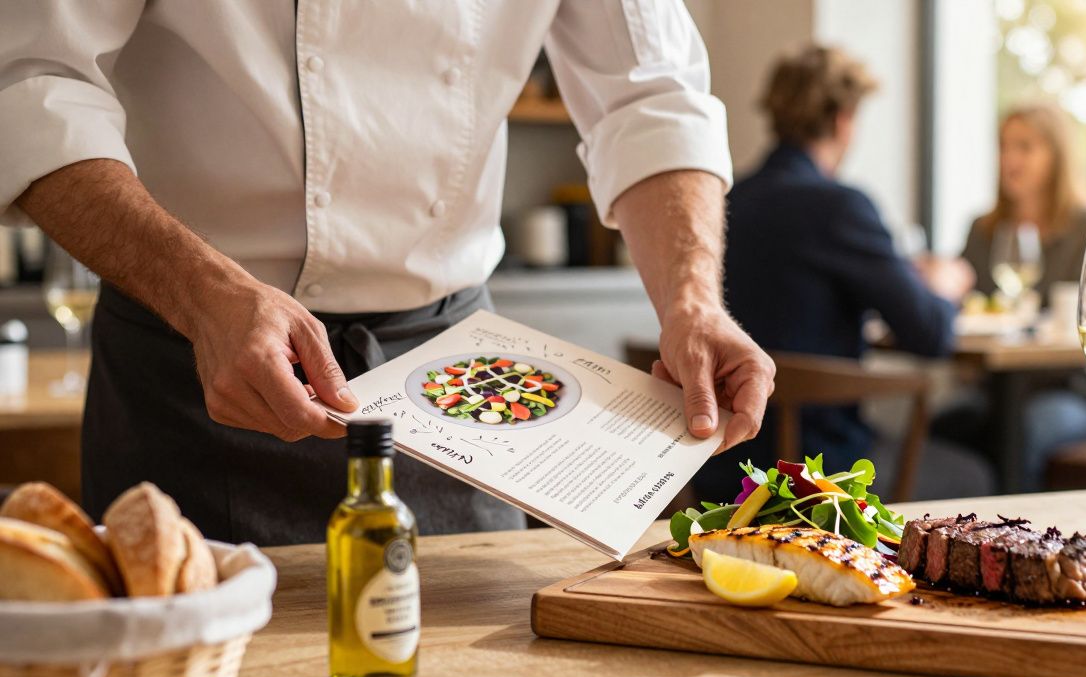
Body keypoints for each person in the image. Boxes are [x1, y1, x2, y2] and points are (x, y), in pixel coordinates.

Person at [0, 3, 773, 545]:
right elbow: (31, 78)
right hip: (196, 364)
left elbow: (650, 97)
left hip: (457, 373)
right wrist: (201, 293)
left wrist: (692, 301)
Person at [696, 45, 990, 502]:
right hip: (813, 470)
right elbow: (930, 333)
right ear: (843, 119)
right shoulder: (839, 208)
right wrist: (944, 285)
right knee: (974, 474)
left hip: (718, 461)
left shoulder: (727, 198)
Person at [936, 103, 1086, 491]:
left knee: (1017, 433)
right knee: (936, 432)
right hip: (994, 391)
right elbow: (961, 304)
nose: (1009, 159)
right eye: (1004, 146)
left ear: (1056, 155)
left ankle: (1021, 542)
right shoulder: (983, 229)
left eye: (1025, 147)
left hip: (1073, 392)